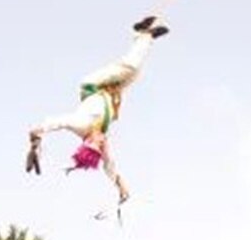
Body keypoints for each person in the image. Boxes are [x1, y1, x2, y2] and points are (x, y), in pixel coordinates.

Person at [25, 17, 169, 205]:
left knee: (130, 67)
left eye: (98, 144)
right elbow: (109, 165)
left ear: (88, 141)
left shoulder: (80, 124)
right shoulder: (101, 140)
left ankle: (144, 35)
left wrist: (35, 145)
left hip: (93, 85)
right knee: (134, 72)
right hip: (111, 90)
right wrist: (120, 185)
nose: (102, 142)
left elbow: (52, 123)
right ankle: (142, 35)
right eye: (101, 147)